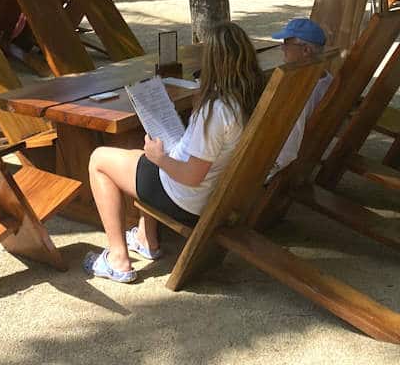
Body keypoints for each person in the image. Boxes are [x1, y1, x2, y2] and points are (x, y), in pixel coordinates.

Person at [83, 22, 265, 282]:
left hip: (184, 197)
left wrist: (160, 159)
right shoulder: (247, 100)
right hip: (211, 193)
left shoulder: (216, 111)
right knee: (141, 155)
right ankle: (147, 238)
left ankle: (118, 259)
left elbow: (192, 176)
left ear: (213, 63)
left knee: (99, 159)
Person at [268, 18, 332, 177]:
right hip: (312, 150)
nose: (282, 48)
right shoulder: (327, 79)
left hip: (284, 160)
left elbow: (287, 150)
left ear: (306, 50)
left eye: (287, 43)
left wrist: (266, 174)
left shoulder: (300, 93)